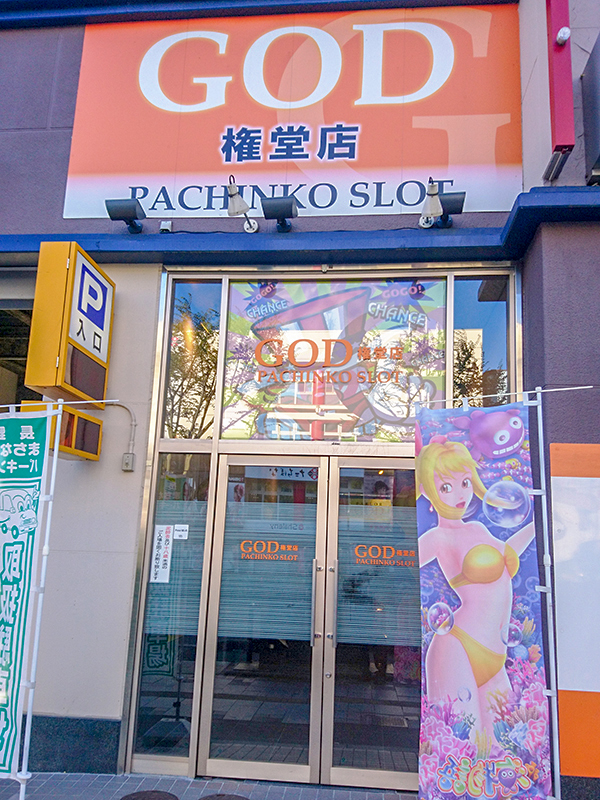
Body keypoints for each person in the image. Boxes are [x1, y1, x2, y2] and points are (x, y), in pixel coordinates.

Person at [416, 438, 534, 741]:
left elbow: (508, 554)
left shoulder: (478, 529)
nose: (460, 494)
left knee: (502, 746)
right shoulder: (437, 537)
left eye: (465, 482)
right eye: (446, 487)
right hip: (458, 648)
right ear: (427, 492)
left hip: (495, 655)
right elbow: (400, 562)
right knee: (462, 744)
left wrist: (538, 524)